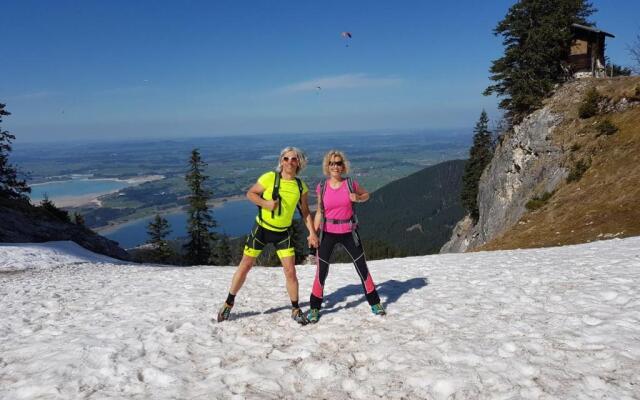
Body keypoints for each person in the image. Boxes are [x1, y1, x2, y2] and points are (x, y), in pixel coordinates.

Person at [217, 147, 319, 324]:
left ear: (299, 163)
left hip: (283, 233)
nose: (289, 162)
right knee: (246, 265)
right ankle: (228, 303)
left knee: (290, 271)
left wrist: (312, 232)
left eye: (293, 159)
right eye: (286, 158)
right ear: (281, 161)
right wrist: (266, 204)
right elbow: (250, 193)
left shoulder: (301, 186)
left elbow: (304, 211)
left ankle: (295, 309)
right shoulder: (270, 177)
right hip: (262, 229)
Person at [307, 150, 385, 323]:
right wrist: (313, 233)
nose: (335, 166)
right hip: (327, 233)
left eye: (338, 163)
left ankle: (375, 302)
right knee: (321, 271)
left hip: (349, 232)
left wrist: (357, 198)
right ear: (327, 166)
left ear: (343, 166)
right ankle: (314, 308)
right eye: (332, 163)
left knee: (362, 267)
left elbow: (366, 195)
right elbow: (320, 212)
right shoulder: (322, 187)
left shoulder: (351, 184)